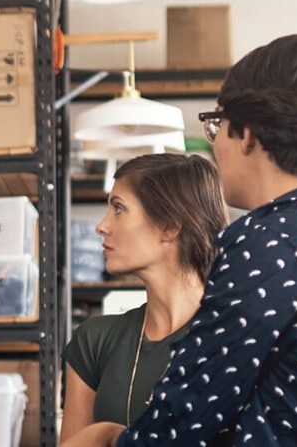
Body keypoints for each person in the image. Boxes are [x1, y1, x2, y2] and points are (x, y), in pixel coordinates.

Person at [64, 34, 297, 447]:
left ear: (247, 134)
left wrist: (106, 437)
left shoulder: (270, 243)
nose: (215, 145)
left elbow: (183, 424)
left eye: (216, 126)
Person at [60, 154, 227, 442]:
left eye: (119, 209)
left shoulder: (233, 337)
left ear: (170, 226)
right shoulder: (95, 340)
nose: (101, 226)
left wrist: (108, 435)